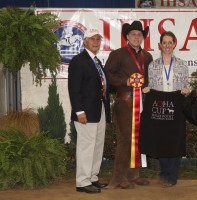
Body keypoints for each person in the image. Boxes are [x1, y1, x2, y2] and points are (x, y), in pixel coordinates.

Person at [104, 20, 153, 189]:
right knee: (125, 139)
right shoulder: (117, 54)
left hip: (142, 102)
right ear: (127, 36)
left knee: (138, 139)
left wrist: (148, 86)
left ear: (143, 37)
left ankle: (133, 175)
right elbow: (107, 75)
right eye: (133, 34)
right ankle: (118, 177)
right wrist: (125, 80)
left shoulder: (147, 56)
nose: (136, 37)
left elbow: (149, 77)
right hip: (124, 101)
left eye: (139, 34)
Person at [139, 31, 190, 187]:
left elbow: (185, 85)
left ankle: (171, 175)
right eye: (164, 43)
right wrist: (146, 90)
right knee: (160, 139)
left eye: (170, 42)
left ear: (174, 44)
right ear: (160, 45)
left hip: (176, 106)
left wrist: (185, 90)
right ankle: (163, 172)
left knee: (174, 139)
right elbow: (151, 85)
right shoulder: (153, 65)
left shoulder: (182, 64)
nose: (167, 45)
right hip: (159, 107)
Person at [68, 28, 109, 193]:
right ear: (85, 41)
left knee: (97, 145)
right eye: (92, 39)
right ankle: (82, 182)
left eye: (98, 39)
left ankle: (92, 177)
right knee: (86, 146)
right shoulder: (78, 61)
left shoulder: (96, 61)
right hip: (85, 112)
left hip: (99, 109)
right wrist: (79, 112)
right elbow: (74, 89)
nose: (96, 42)